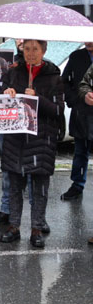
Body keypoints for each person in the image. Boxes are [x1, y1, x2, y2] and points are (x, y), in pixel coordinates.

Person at [4, 40, 63, 248]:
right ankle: (13, 226)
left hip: (41, 139)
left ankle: (37, 228)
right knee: (15, 186)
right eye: (26, 49)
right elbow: (0, 95)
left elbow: (57, 110)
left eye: (35, 49)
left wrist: (37, 98)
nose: (30, 53)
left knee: (40, 188)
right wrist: (7, 93)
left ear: (44, 51)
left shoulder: (54, 76)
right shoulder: (13, 72)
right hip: (16, 137)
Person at [60, 41, 93, 202]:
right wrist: (75, 100)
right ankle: (77, 185)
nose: (89, 41)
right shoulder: (76, 56)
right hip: (82, 113)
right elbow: (65, 81)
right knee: (81, 151)